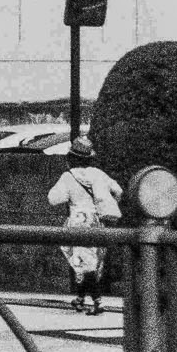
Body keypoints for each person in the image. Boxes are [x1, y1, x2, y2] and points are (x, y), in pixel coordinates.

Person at [47, 135, 123, 315]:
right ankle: (80, 300)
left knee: (83, 262)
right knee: (93, 261)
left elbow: (53, 199)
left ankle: (98, 302)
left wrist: (72, 197)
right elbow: (118, 190)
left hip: (78, 220)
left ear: (72, 157)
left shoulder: (68, 176)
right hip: (97, 220)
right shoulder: (98, 174)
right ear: (90, 158)